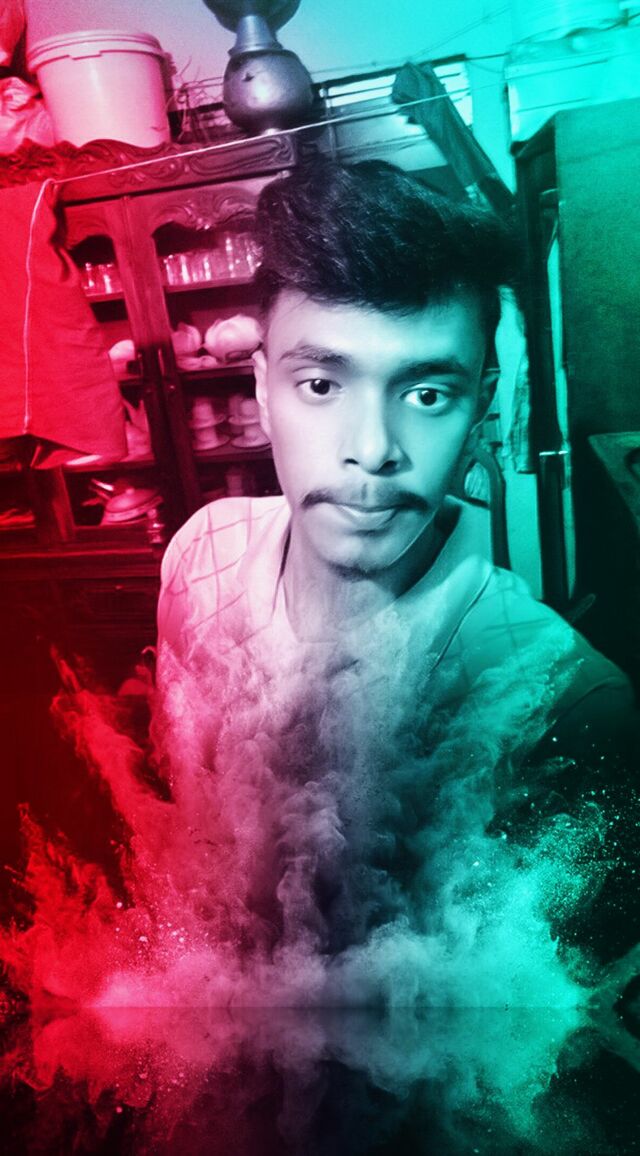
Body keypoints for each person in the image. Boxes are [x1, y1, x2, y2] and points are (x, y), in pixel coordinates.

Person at [156, 161, 638, 966]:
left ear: (480, 407)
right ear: (263, 392)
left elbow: (547, 1011)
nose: (374, 450)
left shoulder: (564, 700)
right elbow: (184, 829)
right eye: (321, 384)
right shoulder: (200, 554)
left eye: (426, 395)